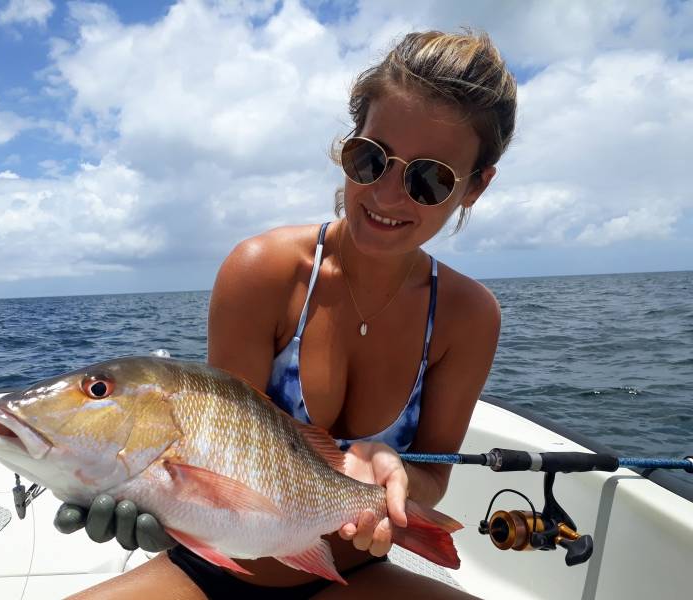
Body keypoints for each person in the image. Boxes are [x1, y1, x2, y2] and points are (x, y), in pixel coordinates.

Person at [62, 28, 516, 599]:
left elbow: (434, 478)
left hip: (353, 576)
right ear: (348, 148)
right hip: (214, 573)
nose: (388, 194)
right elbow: (217, 454)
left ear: (475, 186)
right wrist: (135, 490)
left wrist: (396, 478)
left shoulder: (468, 316)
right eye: (371, 159)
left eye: (429, 179)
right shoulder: (264, 272)